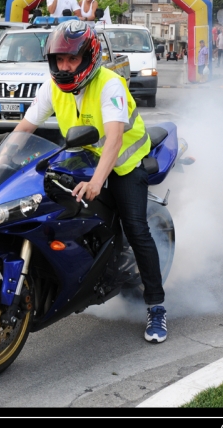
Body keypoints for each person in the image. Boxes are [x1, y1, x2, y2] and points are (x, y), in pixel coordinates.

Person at [12, 20, 169, 343]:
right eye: (59, 60)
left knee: (136, 229)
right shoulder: (51, 86)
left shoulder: (109, 84)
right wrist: (1, 160)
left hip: (124, 163)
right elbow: (25, 127)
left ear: (89, 58)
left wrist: (98, 182)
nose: (65, 66)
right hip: (83, 161)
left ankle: (156, 307)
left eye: (72, 59)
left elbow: (113, 140)